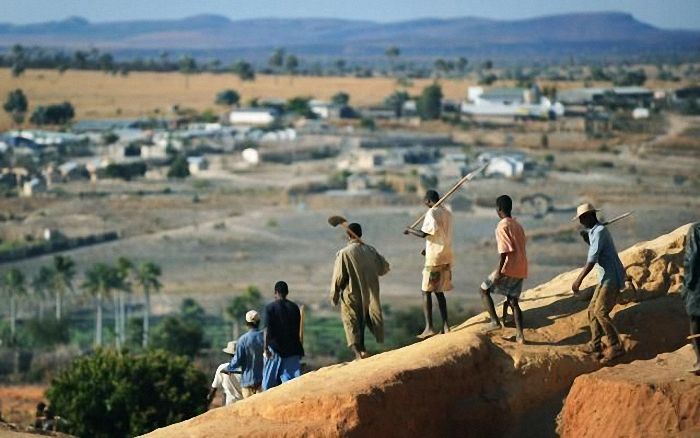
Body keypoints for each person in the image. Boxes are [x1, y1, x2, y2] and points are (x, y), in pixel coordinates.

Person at [571, 203, 626, 363]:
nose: (581, 222)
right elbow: (598, 250)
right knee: (591, 311)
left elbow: (592, 259)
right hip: (604, 277)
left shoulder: (600, 231)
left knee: (600, 312)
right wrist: (588, 239)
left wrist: (578, 280)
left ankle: (616, 345)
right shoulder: (595, 231)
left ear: (589, 216)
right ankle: (595, 344)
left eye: (582, 218)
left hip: (611, 277)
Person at [331, 222, 390, 360]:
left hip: (352, 294)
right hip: (368, 295)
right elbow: (384, 268)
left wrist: (334, 295)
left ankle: (358, 354)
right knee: (362, 321)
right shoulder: (370, 250)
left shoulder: (344, 253)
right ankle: (363, 350)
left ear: (348, 235)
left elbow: (339, 277)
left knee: (351, 322)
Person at [479, 195, 528, 344]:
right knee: (513, 301)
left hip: (508, 266)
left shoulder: (502, 226)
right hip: (521, 266)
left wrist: (499, 272)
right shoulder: (517, 225)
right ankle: (520, 335)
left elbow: (504, 251)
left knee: (484, 289)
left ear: (498, 209)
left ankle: (495, 322)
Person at [404, 190, 453, 338]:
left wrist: (409, 230)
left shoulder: (432, 213)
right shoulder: (448, 213)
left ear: (427, 200)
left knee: (426, 291)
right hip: (445, 255)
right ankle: (445, 325)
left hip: (435, 258)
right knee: (439, 291)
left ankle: (429, 328)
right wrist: (427, 249)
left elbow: (425, 233)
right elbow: (440, 235)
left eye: (424, 201)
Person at [263, 281, 305, 390]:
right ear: (287, 292)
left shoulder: (270, 308)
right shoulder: (294, 308)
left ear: (276, 292)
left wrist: (265, 348)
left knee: (268, 385)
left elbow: (267, 330)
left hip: (275, 350)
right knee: (293, 386)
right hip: (293, 350)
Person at [225, 310, 264, 397]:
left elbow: (237, 360)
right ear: (259, 322)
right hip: (262, 383)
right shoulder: (264, 337)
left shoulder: (242, 340)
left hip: (247, 382)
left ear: (247, 323)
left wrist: (229, 368)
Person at [682, 222, 700, 375]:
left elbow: (692, 258)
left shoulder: (696, 230)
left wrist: (688, 284)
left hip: (698, 286)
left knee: (695, 320)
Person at [207, 341, 244, 408]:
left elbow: (214, 389)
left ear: (229, 354)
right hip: (244, 403)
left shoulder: (222, 368)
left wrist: (208, 402)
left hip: (228, 403)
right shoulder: (246, 369)